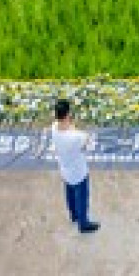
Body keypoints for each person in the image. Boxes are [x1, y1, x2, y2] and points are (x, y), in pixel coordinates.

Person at [51, 99, 100, 233]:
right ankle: (83, 224)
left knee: (70, 193)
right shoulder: (76, 136)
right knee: (82, 197)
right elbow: (87, 143)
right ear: (68, 115)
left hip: (64, 168)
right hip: (78, 171)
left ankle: (74, 215)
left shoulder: (54, 128)